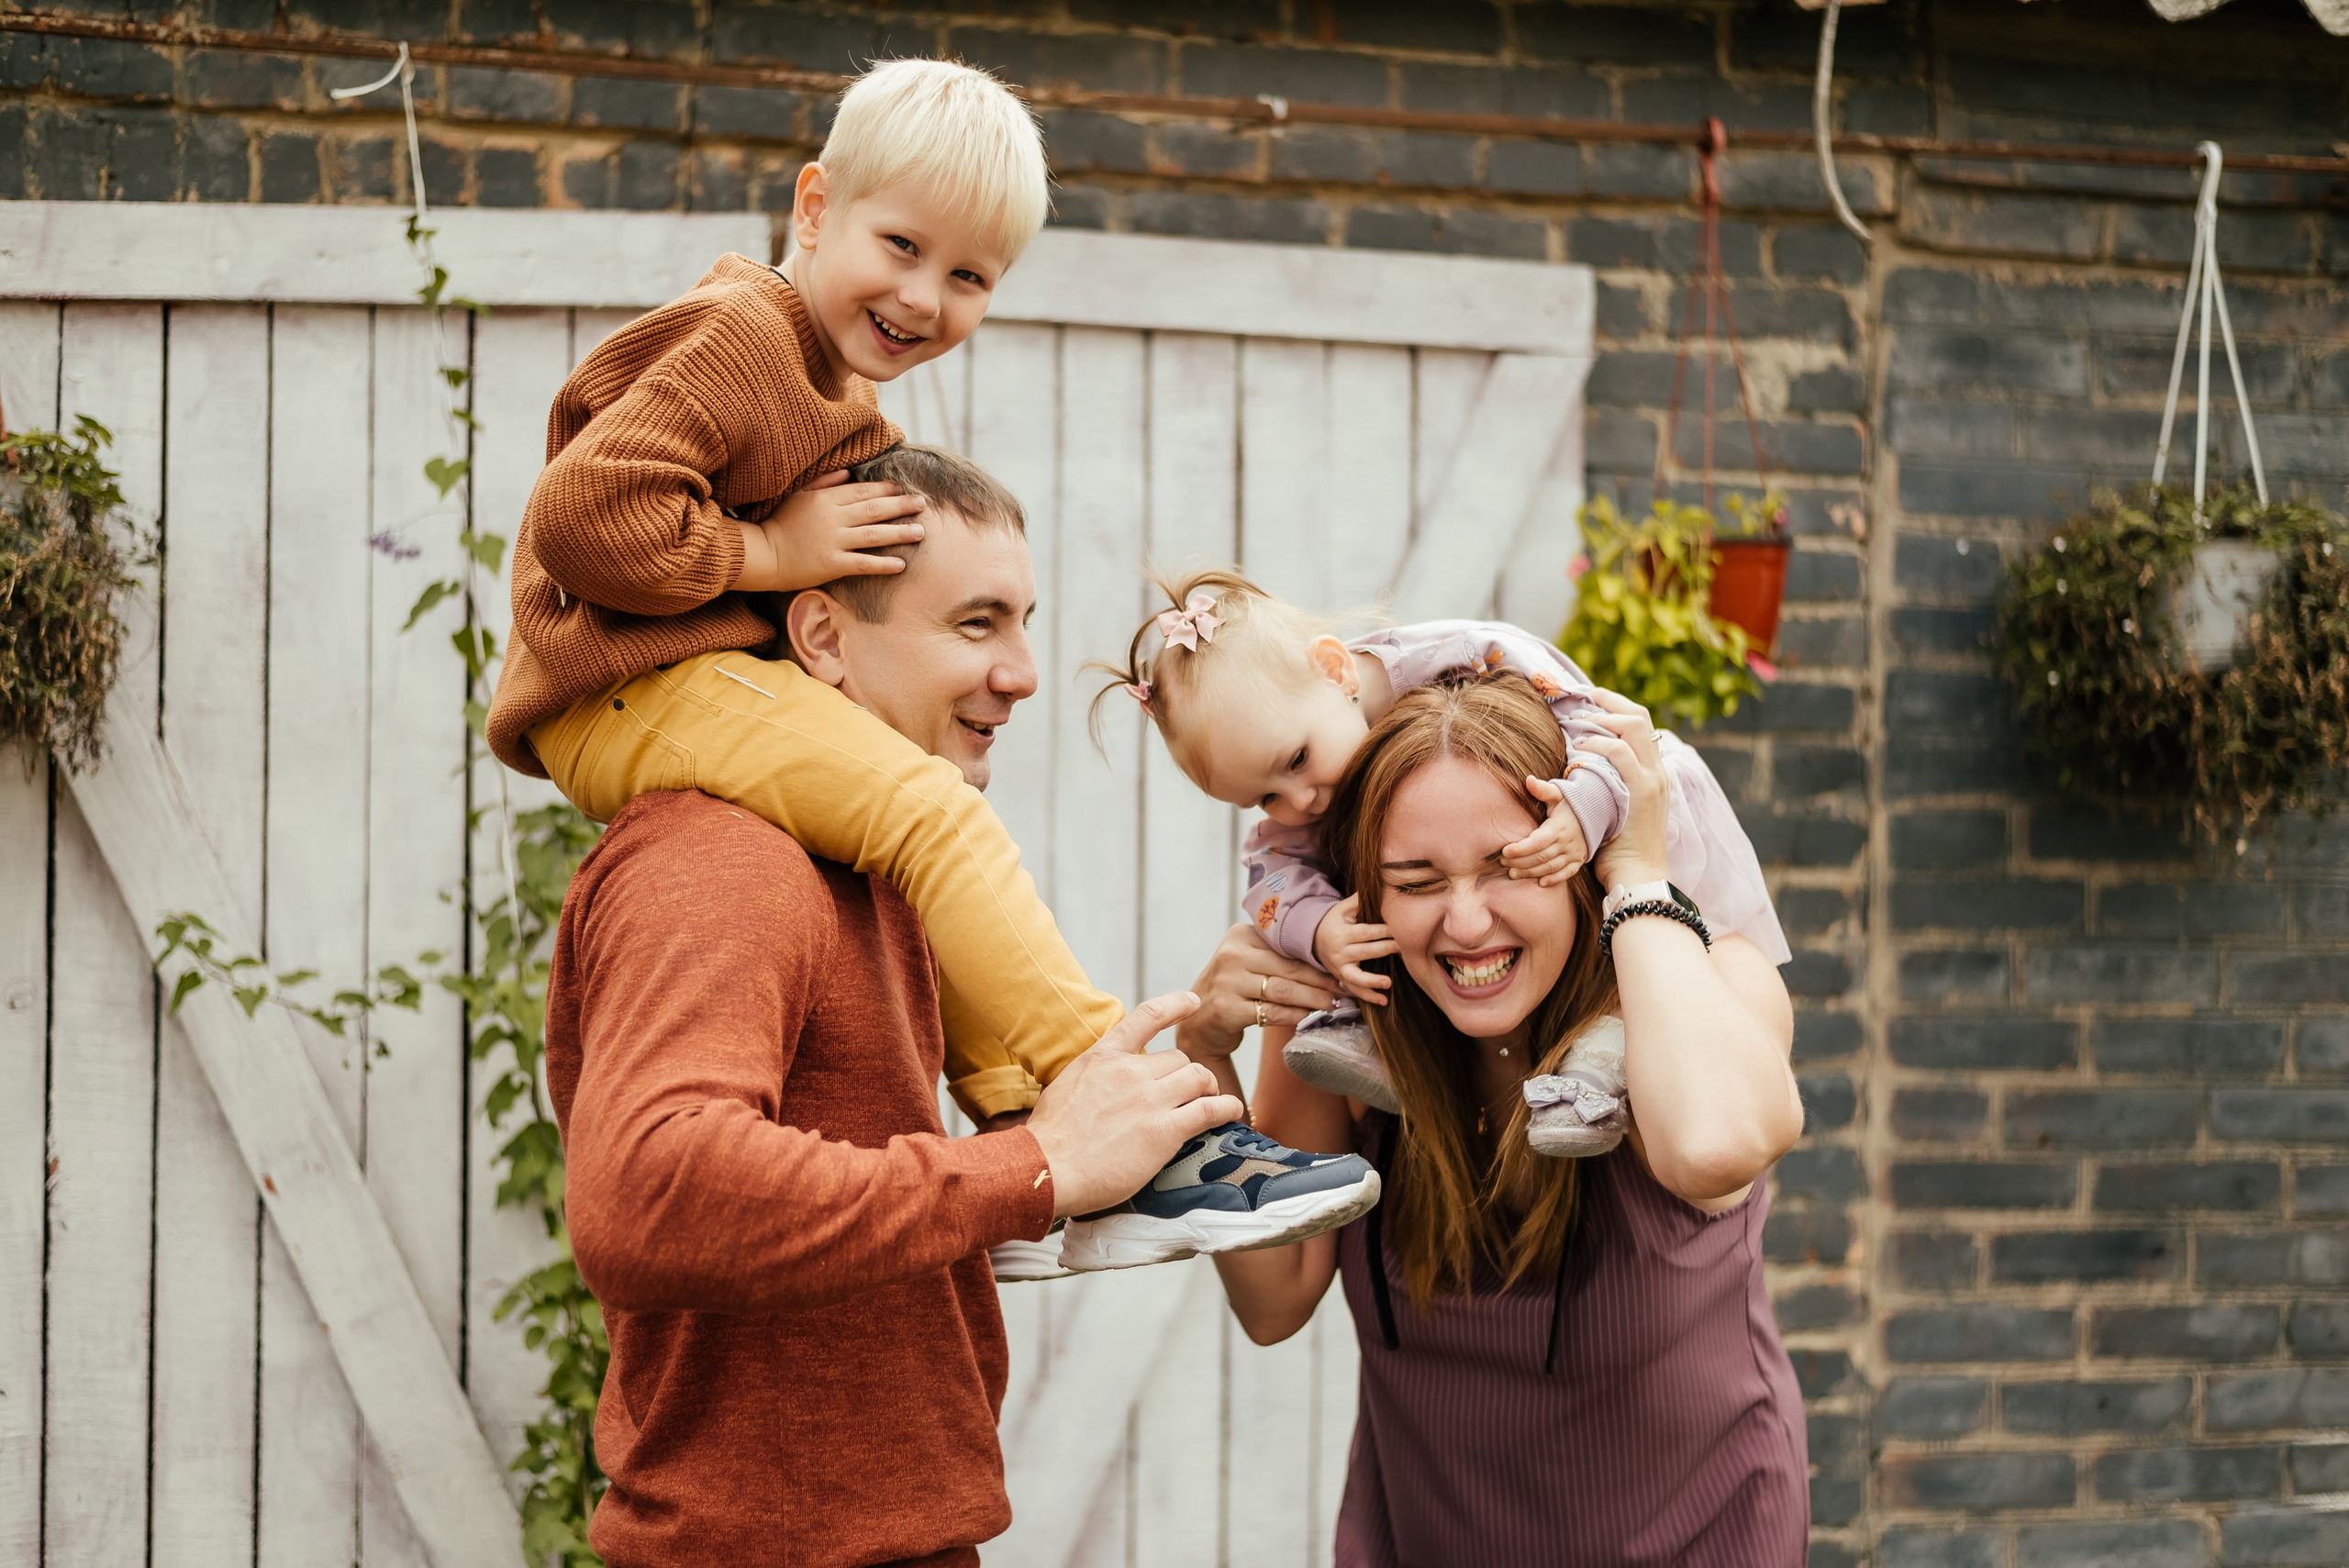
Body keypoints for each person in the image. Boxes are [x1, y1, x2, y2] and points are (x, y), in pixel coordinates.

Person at [486, 60, 1373, 1272]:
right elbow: (577, 516)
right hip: (620, 685)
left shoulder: (846, 400)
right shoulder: (741, 335)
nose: (922, 296)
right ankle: (1120, 1102)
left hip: (679, 676)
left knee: (909, 841)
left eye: (968, 276)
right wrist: (769, 550)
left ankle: (1027, 1130)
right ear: (814, 208)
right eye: (901, 246)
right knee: (930, 814)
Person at [546, 447, 1367, 1565]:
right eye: (976, 624)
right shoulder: (723, 862)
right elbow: (649, 1193)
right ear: (822, 637)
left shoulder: (860, 863)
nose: (1022, 673)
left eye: (1023, 624)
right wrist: (1031, 1167)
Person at [1195, 674, 1809, 1567]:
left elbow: (1712, 1148)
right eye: (1416, 881)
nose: (1467, 920)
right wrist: (1206, 1056)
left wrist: (1637, 876)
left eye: (1513, 865)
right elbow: (1273, 1297)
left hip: (1699, 1540)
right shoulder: (1349, 1036)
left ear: (1581, 857)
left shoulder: (1708, 979)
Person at [1092, 568, 1787, 1156]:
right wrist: (1312, 936)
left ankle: (1605, 1053)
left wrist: (1598, 827)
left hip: (1618, 805)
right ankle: (1363, 1033)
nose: (1301, 802)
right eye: (1415, 880)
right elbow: (1270, 871)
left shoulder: (1463, 658)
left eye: (1506, 864)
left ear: (1336, 669)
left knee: (1642, 952)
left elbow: (1596, 727)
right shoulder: (1314, 787)